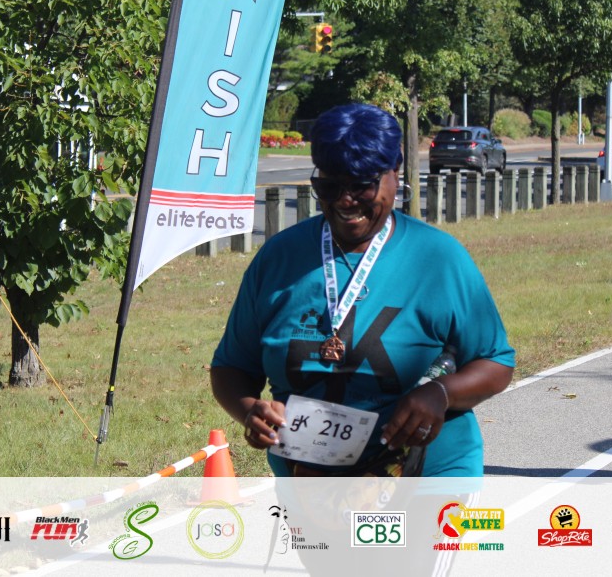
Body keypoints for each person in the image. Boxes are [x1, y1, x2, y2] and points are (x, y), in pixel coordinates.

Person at [210, 103, 515, 479]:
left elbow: (496, 362)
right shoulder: (278, 259)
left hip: (427, 477)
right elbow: (232, 366)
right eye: (329, 186)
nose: (345, 200)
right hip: (312, 484)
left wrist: (441, 393)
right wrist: (249, 411)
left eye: (361, 185)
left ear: (395, 173)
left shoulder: (438, 258)